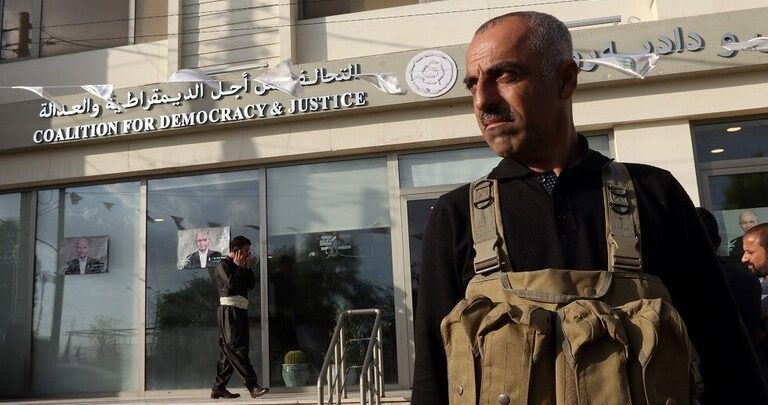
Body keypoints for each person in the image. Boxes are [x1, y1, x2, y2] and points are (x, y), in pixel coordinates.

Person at [411, 11, 768, 404]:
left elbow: (728, 358)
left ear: (566, 79)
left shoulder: (655, 194)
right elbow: (432, 377)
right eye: (473, 84)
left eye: (505, 75)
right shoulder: (455, 215)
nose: (483, 100)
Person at [211, 235, 268, 399]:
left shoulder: (241, 266)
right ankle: (253, 386)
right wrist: (238, 267)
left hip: (240, 311)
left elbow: (251, 284)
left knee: (228, 352)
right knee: (236, 349)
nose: (248, 253)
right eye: (246, 250)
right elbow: (231, 285)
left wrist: (247, 267)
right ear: (236, 251)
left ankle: (218, 387)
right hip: (229, 311)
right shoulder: (222, 265)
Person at [697, 208, 763, 350]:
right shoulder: (746, 282)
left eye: (750, 252)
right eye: (744, 222)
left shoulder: (666, 285)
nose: (744, 258)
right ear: (718, 241)